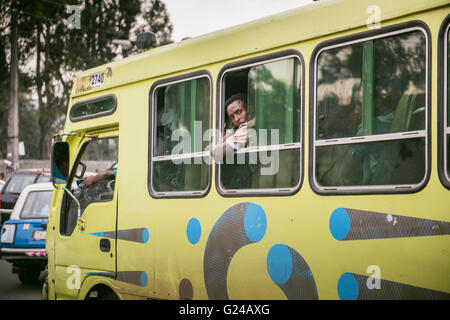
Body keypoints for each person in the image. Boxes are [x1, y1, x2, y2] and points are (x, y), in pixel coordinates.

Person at [213, 93, 255, 161]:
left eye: (239, 112)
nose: (236, 119)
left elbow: (216, 154)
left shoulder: (246, 129)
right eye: (232, 117)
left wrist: (230, 133)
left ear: (250, 109)